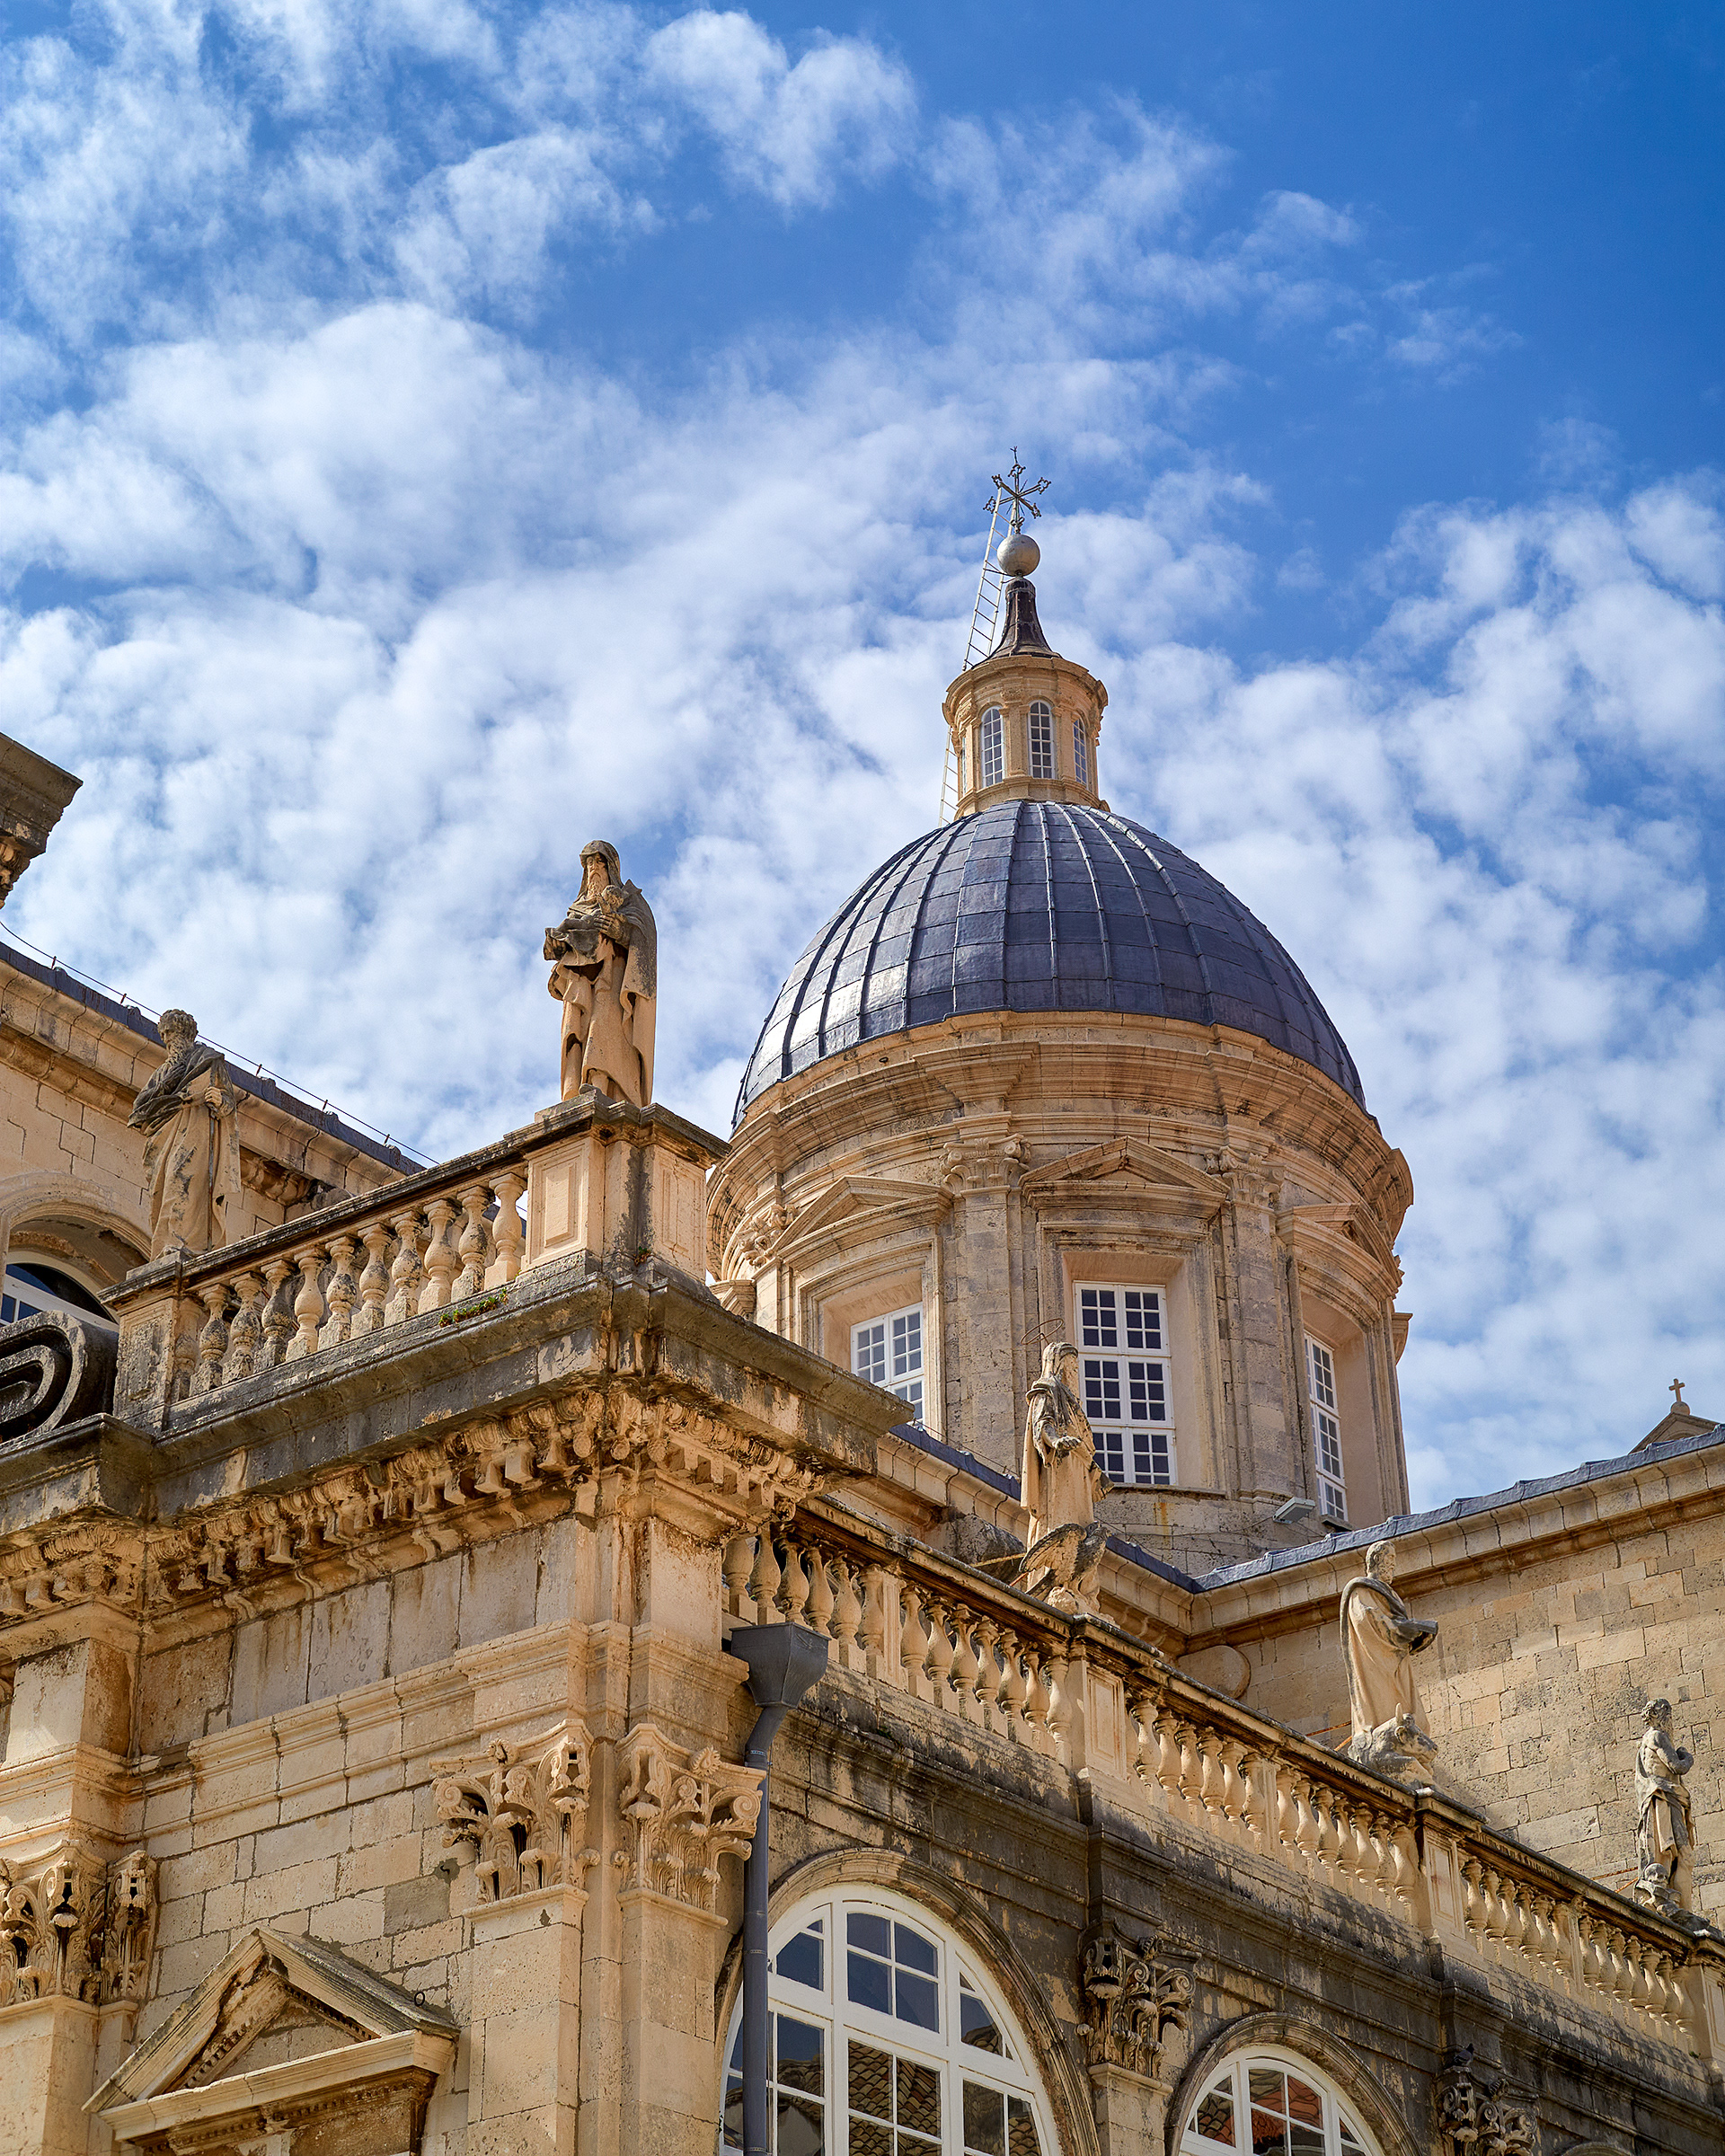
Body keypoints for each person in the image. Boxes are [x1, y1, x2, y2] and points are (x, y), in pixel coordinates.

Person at [544, 842, 657, 1107]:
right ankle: (572, 1090)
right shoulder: (577, 910)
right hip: (581, 984)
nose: (594, 869)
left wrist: (621, 932)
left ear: (611, 867)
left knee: (605, 1027)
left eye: (599, 863)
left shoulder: (630, 901)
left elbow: (646, 939)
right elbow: (559, 941)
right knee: (577, 1030)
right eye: (589, 864)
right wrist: (558, 944)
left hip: (614, 979)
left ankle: (600, 1085)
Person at [126, 1010, 243, 1259]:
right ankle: (166, 1243)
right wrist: (166, 1095)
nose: (166, 1038)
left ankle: (183, 1244)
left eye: (171, 1032)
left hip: (196, 1129)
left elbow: (229, 1101)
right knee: (164, 1187)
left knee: (183, 1179)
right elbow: (141, 1108)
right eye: (163, 1033)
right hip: (164, 1135)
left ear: (186, 1033)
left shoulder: (209, 1062)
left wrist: (220, 1100)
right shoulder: (162, 1072)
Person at [1015, 1341, 1110, 1608]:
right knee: (1063, 1523)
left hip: (1078, 1468)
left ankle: (1080, 1589)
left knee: (1084, 1526)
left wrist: (1094, 1471)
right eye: (1071, 1365)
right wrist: (1056, 1441)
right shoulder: (1047, 1391)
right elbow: (1042, 1424)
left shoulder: (1071, 1401)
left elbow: (1085, 1444)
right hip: (1059, 1468)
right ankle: (1056, 1582)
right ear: (1058, 1364)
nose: (1075, 1370)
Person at [1340, 1541, 1438, 1767]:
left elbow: (1391, 1625)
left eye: (1394, 1559)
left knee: (1413, 1714)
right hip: (1377, 1661)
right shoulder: (1361, 1590)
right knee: (1387, 1710)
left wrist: (1415, 1634)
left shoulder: (1388, 1593)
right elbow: (1370, 1623)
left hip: (1396, 1661)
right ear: (1376, 1560)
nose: (1393, 1564)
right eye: (1389, 1559)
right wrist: (1405, 1629)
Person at [1636, 1697, 1695, 1915]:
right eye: (1667, 1714)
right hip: (1666, 1799)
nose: (1670, 1719)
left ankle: (1678, 1905)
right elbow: (1677, 1766)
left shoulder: (1646, 1740)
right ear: (1660, 1716)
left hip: (1663, 1798)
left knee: (1672, 1858)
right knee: (1683, 1857)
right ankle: (1685, 1912)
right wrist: (1687, 1756)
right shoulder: (1658, 1736)